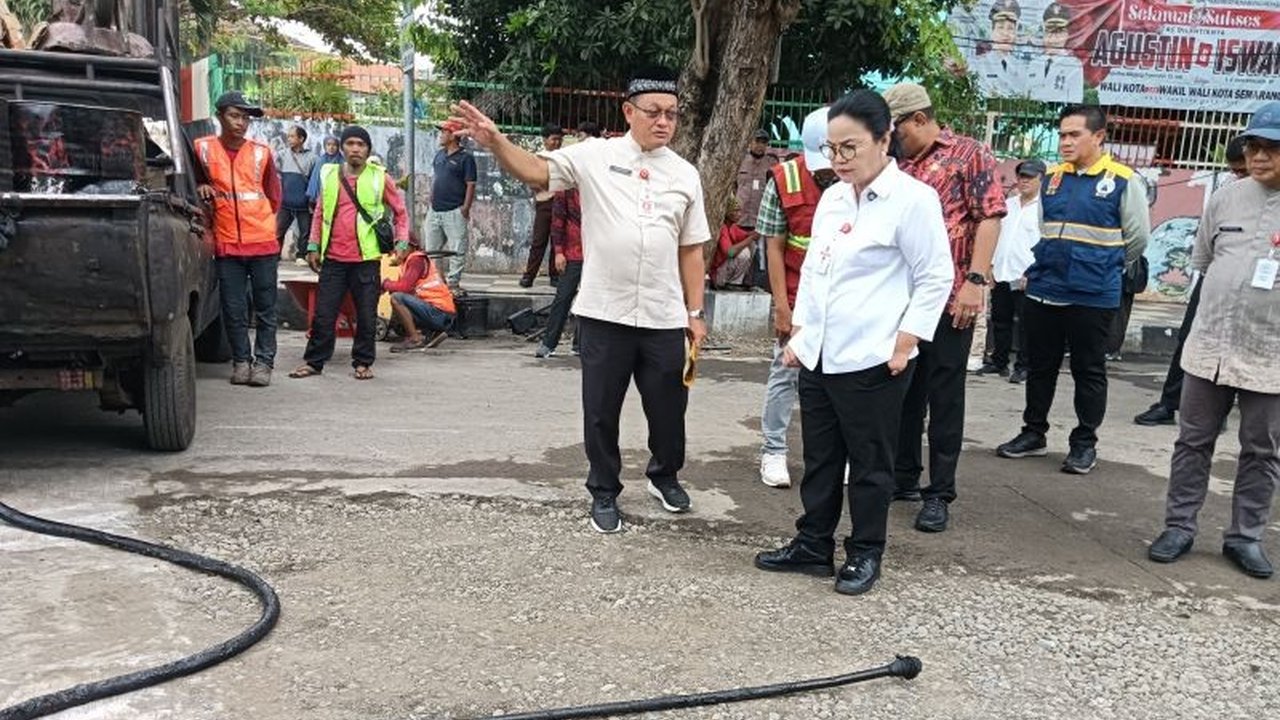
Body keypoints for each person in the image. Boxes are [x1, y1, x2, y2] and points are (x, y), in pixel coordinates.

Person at [445, 65, 711, 534]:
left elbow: (691, 248)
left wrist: (695, 313)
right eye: (653, 112)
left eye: (671, 113)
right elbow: (536, 170)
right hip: (604, 311)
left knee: (669, 410)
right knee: (601, 411)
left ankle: (664, 475)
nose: (663, 121)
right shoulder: (593, 156)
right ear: (628, 111)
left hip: (664, 314)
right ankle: (604, 492)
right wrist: (497, 142)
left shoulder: (685, 174)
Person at [753, 90, 954, 596]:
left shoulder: (913, 201)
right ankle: (813, 544)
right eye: (833, 149)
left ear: (885, 139)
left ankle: (865, 552)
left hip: (874, 356)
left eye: (851, 147)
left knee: (869, 463)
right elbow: (818, 274)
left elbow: (934, 277)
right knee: (820, 456)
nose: (839, 160)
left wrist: (906, 342)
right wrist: (800, 336)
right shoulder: (834, 198)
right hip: (821, 352)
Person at [1146, 103, 1280, 580]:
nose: (1258, 155)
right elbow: (1203, 258)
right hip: (1210, 347)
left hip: (1271, 355)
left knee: (1262, 451)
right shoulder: (1226, 197)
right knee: (1192, 441)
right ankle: (1179, 526)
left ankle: (1245, 537)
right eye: (1253, 146)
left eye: (1270, 147)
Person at [996, 105, 1151, 473]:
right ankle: (1033, 433)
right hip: (1046, 286)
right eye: (1062, 134)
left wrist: (1103, 266)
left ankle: (1084, 443)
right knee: (1039, 366)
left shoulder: (1123, 180)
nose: (1065, 142)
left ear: (1098, 137)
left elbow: (1138, 239)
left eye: (1074, 135)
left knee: (1089, 369)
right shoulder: (1052, 178)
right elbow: (1043, 228)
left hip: (1093, 292)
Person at [885, 82, 1006, 533]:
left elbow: (988, 216)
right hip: (900, 301)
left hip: (952, 298)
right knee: (902, 391)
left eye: (897, 129)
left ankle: (939, 494)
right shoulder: (894, 163)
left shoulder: (969, 153)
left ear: (919, 118)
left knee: (944, 396)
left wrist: (975, 282)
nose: (893, 139)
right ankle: (902, 477)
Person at [1135, 136, 1249, 426]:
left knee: (1236, 346)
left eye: (1243, 171)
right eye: (1234, 170)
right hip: (1214, 280)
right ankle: (1169, 403)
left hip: (1257, 290)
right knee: (1189, 339)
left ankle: (1218, 412)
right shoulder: (1227, 195)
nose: (1239, 176)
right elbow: (1205, 242)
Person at [755, 105, 836, 488]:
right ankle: (773, 451)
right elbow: (774, 248)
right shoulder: (784, 178)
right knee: (785, 372)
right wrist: (782, 308)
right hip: (796, 293)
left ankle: (842, 455)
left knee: (842, 379)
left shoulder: (862, 179)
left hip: (844, 299)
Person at [289, 125, 410, 381]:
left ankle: (363, 363)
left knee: (366, 315)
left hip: (365, 260)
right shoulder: (329, 174)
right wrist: (312, 246)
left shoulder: (380, 177)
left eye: (361, 144)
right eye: (351, 144)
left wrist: (401, 244)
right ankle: (314, 362)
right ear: (342, 148)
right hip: (333, 258)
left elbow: (400, 212)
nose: (355, 149)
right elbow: (320, 211)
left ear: (368, 150)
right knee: (324, 314)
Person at [194, 91, 282, 388]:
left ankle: (264, 363)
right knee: (233, 308)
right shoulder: (202, 149)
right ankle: (241, 361)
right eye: (235, 115)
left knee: (266, 307)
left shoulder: (261, 152)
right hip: (228, 244)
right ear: (219, 116)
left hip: (262, 242)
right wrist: (202, 186)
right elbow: (193, 183)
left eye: (245, 117)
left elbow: (274, 197)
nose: (241, 122)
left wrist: (260, 223)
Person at [975, 158, 1045, 384]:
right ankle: (999, 361)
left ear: (1040, 179)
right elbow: (998, 234)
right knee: (1000, 319)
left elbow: (1044, 241)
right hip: (1002, 269)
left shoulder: (1044, 209)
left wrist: (1033, 271)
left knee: (1027, 324)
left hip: (1026, 273)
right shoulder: (1009, 204)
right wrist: (990, 265)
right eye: (1021, 176)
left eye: (1029, 177)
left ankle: (1024, 366)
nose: (1024, 181)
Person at [534, 186, 584, 359]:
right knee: (563, 298)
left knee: (589, 300)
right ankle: (549, 343)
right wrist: (559, 252)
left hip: (596, 253)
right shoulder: (566, 190)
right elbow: (557, 222)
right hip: (573, 253)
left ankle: (580, 344)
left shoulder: (600, 186)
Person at [427, 123, 477, 291]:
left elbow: (471, 184)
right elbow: (436, 178)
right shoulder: (439, 155)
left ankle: (453, 282)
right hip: (435, 210)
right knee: (432, 250)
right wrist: (431, 197)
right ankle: (438, 282)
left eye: (443, 132)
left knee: (457, 249)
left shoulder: (466, 158)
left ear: (453, 135)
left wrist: (465, 208)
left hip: (455, 210)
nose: (440, 135)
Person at [384, 245, 455, 352]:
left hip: (440, 313)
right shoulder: (409, 261)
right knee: (400, 302)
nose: (397, 251)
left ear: (411, 247)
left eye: (402, 247)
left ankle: (415, 339)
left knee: (397, 298)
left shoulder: (416, 260)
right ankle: (432, 333)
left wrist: (385, 284)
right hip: (440, 312)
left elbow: (405, 287)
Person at [519, 123, 565, 288]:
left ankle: (555, 275)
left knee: (557, 241)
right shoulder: (538, 158)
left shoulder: (564, 158)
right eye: (554, 139)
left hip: (560, 203)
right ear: (545, 140)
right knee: (539, 241)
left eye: (559, 140)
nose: (557, 143)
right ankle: (529, 275)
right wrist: (548, 184)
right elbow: (532, 181)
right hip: (544, 203)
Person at [970, 0, 1029, 98]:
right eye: (1000, 27)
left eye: (1010, 28)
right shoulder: (978, 64)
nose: (1005, 34)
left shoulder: (1023, 68)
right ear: (992, 32)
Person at [276, 125, 317, 265]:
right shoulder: (282, 155)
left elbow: (314, 181)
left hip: (303, 202)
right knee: (278, 230)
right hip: (285, 201)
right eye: (288, 136)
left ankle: (301, 255)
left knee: (305, 231)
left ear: (301, 138)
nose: (289, 139)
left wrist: (311, 199)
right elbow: (276, 175)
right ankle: (275, 255)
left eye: (292, 136)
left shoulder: (312, 158)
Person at [1029, 2, 1085, 103]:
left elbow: (1075, 98)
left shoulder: (1073, 65)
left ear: (1067, 35)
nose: (1053, 37)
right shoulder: (1034, 63)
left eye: (1059, 32)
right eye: (1050, 31)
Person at [737, 128, 778, 231]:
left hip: (760, 218)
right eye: (757, 141)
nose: (760, 145)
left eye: (764, 143)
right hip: (739, 217)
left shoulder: (771, 164)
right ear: (750, 142)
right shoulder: (740, 161)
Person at [710, 198, 757, 288]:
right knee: (744, 253)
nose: (739, 214)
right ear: (728, 213)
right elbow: (730, 253)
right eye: (736, 211)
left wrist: (755, 234)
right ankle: (732, 283)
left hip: (724, 269)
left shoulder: (732, 227)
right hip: (718, 273)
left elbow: (746, 235)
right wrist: (749, 240)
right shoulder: (723, 229)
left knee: (753, 246)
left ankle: (735, 283)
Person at [306, 135, 343, 209]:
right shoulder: (320, 161)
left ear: (338, 147)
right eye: (328, 144)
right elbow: (315, 180)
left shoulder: (343, 162)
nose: (331, 147)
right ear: (325, 146)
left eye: (334, 145)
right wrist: (312, 199)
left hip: (337, 200)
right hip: (321, 199)